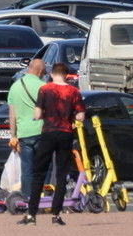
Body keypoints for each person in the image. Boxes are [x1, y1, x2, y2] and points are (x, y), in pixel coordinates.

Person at [21, 62, 85, 226]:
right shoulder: (73, 91)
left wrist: (40, 117)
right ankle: (56, 215)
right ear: (66, 75)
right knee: (61, 174)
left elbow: (38, 113)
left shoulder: (45, 89)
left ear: (52, 74)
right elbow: (80, 116)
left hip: (48, 133)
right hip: (65, 134)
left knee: (39, 173)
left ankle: (31, 215)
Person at [7, 57, 45, 201]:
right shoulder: (43, 86)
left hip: (24, 134)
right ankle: (43, 197)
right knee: (43, 168)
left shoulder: (15, 86)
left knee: (27, 169)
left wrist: (13, 135)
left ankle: (28, 198)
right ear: (40, 71)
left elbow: (12, 114)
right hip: (42, 132)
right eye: (44, 72)